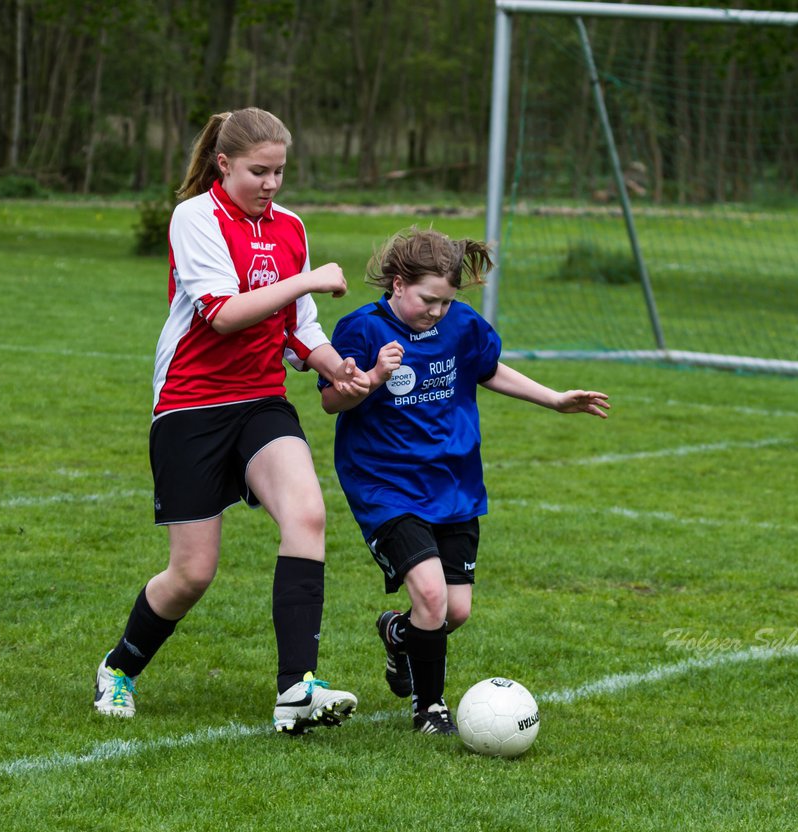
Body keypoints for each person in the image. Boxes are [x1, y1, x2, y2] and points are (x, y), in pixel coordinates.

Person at [94, 107, 371, 734]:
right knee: (192, 574)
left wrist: (337, 367)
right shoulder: (196, 217)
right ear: (224, 164)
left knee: (307, 515)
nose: (272, 184)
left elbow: (298, 330)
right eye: (258, 171)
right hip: (191, 403)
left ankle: (297, 689)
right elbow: (222, 313)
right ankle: (119, 667)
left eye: (280, 172)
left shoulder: (291, 226)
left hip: (260, 399)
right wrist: (307, 278)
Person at [320, 226, 610, 735]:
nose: (436, 311)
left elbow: (489, 369)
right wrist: (373, 380)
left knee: (455, 611)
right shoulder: (361, 330)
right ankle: (430, 710)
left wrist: (556, 399)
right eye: (427, 300)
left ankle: (397, 633)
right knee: (430, 596)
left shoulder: (461, 325)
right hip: (385, 485)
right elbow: (331, 399)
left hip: (454, 484)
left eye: (445, 302)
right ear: (397, 282)